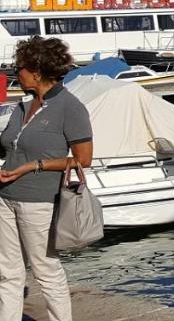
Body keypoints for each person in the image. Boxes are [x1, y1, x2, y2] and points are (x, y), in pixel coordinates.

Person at [0, 36, 93, 321]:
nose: (17, 73)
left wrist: (32, 166)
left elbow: (82, 159)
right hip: (5, 199)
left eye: (21, 68)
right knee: (7, 273)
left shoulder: (70, 107)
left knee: (46, 271)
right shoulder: (21, 106)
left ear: (37, 72)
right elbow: (8, 146)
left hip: (39, 202)